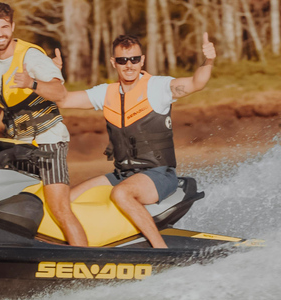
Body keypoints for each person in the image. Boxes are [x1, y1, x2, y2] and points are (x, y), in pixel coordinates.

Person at [54, 33, 216, 248]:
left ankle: (160, 250)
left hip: (158, 173)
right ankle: (82, 248)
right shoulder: (105, 93)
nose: (129, 65)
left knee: (121, 193)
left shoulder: (158, 87)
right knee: (66, 199)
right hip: (123, 173)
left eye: (134, 59)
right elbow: (63, 99)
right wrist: (53, 75)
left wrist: (209, 60)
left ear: (143, 60)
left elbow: (197, 83)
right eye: (122, 60)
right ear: (114, 62)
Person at [0, 3, 88, 246]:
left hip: (48, 141)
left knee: (58, 209)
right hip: (18, 143)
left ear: (12, 26)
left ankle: (86, 264)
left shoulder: (30, 56)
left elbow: (59, 90)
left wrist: (32, 83)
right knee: (16, 206)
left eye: (4, 27)